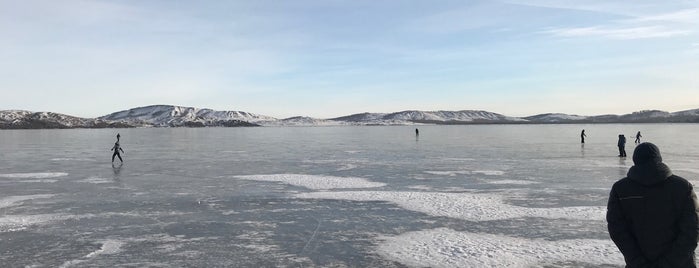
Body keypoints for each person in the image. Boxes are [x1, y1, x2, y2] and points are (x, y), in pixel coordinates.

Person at [607, 142, 699, 267]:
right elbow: (692, 231)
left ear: (635, 160)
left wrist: (637, 262)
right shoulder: (682, 187)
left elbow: (617, 230)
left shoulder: (621, 189)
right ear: (659, 159)